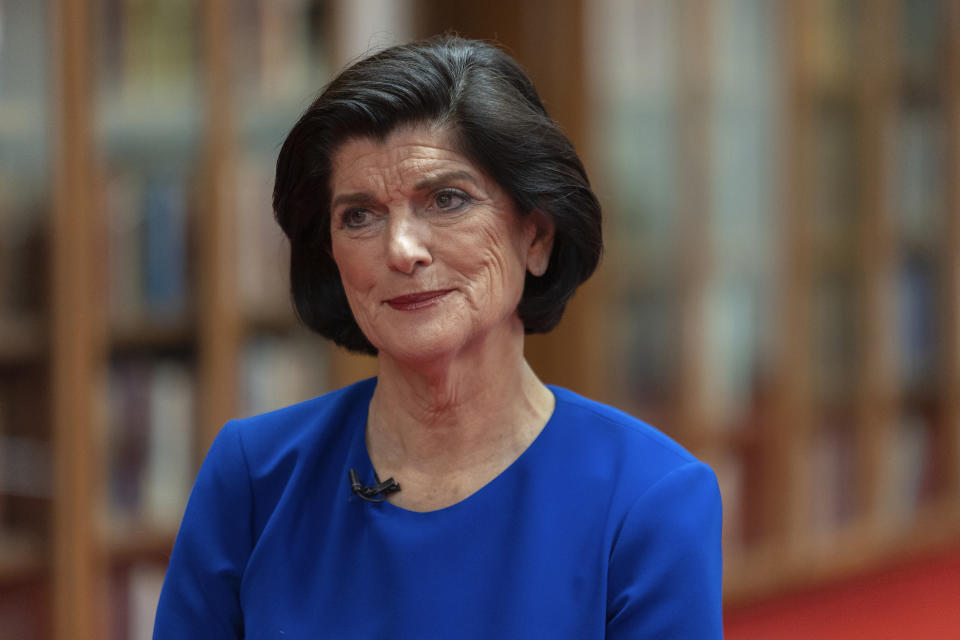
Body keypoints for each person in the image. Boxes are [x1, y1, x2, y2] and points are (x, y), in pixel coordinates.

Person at [154, 35, 723, 638]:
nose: (401, 249)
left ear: (536, 236)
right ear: (330, 254)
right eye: (359, 215)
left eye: (447, 200)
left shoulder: (647, 500)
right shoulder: (254, 478)